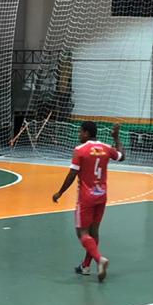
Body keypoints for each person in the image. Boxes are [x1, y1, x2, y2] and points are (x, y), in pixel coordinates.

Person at [52, 120, 123, 282]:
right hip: (101, 196)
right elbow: (121, 156)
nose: (79, 135)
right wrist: (117, 137)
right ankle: (85, 266)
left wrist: (60, 192)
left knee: (82, 233)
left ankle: (100, 259)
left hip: (86, 198)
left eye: (80, 132)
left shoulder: (80, 150)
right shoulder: (106, 148)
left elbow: (72, 174)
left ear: (86, 133)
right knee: (94, 232)